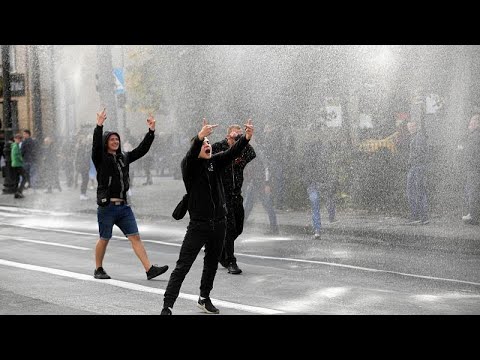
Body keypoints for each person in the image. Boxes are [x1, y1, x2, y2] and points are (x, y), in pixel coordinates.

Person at [161, 118, 254, 315]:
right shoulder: (190, 168)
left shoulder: (214, 163)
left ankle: (204, 298)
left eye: (208, 143)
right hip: (198, 226)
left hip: (218, 224)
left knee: (211, 264)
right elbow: (190, 154)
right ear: (197, 149)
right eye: (204, 144)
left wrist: (246, 138)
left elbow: (232, 152)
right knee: (183, 266)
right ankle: (167, 306)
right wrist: (200, 137)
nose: (207, 146)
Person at [92, 108, 168, 280]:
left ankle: (149, 269)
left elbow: (141, 150)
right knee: (104, 238)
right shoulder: (100, 158)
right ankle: (98, 268)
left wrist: (151, 132)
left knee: (135, 237)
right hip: (107, 207)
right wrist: (99, 126)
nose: (115, 141)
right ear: (106, 143)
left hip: (124, 207)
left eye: (117, 139)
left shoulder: (123, 158)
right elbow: (95, 146)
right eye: (111, 139)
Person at [212, 124, 256, 274]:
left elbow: (252, 153)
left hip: (237, 195)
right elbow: (204, 153)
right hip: (223, 196)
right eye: (234, 135)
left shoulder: (243, 150)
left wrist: (246, 138)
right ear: (227, 136)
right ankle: (231, 261)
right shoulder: (219, 147)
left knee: (238, 228)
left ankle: (220, 250)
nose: (236, 138)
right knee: (230, 229)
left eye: (239, 136)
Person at [301, 136, 338, 239]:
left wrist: (306, 181)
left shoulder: (308, 159)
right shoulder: (321, 159)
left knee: (315, 206)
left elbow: (302, 171)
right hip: (318, 183)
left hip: (314, 184)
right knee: (325, 200)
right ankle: (330, 218)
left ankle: (318, 230)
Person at [243, 138, 279, 235]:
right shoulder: (249, 151)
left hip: (261, 183)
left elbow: (266, 167)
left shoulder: (258, 152)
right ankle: (240, 226)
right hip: (254, 182)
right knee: (248, 205)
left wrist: (267, 183)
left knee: (267, 205)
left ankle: (274, 228)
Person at [405, 119, 429, 225]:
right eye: (409, 127)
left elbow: (420, 153)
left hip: (417, 167)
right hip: (416, 166)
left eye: (412, 126)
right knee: (416, 191)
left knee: (415, 191)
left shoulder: (418, 138)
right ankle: (420, 216)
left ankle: (419, 216)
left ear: (416, 127)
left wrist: (411, 160)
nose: (410, 129)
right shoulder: (416, 137)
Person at [460, 114, 480, 225]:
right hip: (474, 168)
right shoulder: (474, 135)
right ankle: (473, 214)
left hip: (473, 169)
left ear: (477, 123)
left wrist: (462, 149)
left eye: (472, 122)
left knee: (472, 192)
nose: (469, 124)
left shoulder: (475, 136)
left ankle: (473, 216)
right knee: (471, 191)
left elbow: (471, 153)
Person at [11, 133, 27, 199]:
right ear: (15, 139)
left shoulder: (15, 145)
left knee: (17, 179)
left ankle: (17, 193)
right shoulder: (15, 146)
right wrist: (22, 160)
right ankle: (19, 191)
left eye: (20, 139)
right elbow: (17, 156)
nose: (19, 140)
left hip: (15, 164)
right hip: (18, 164)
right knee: (25, 178)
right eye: (18, 139)